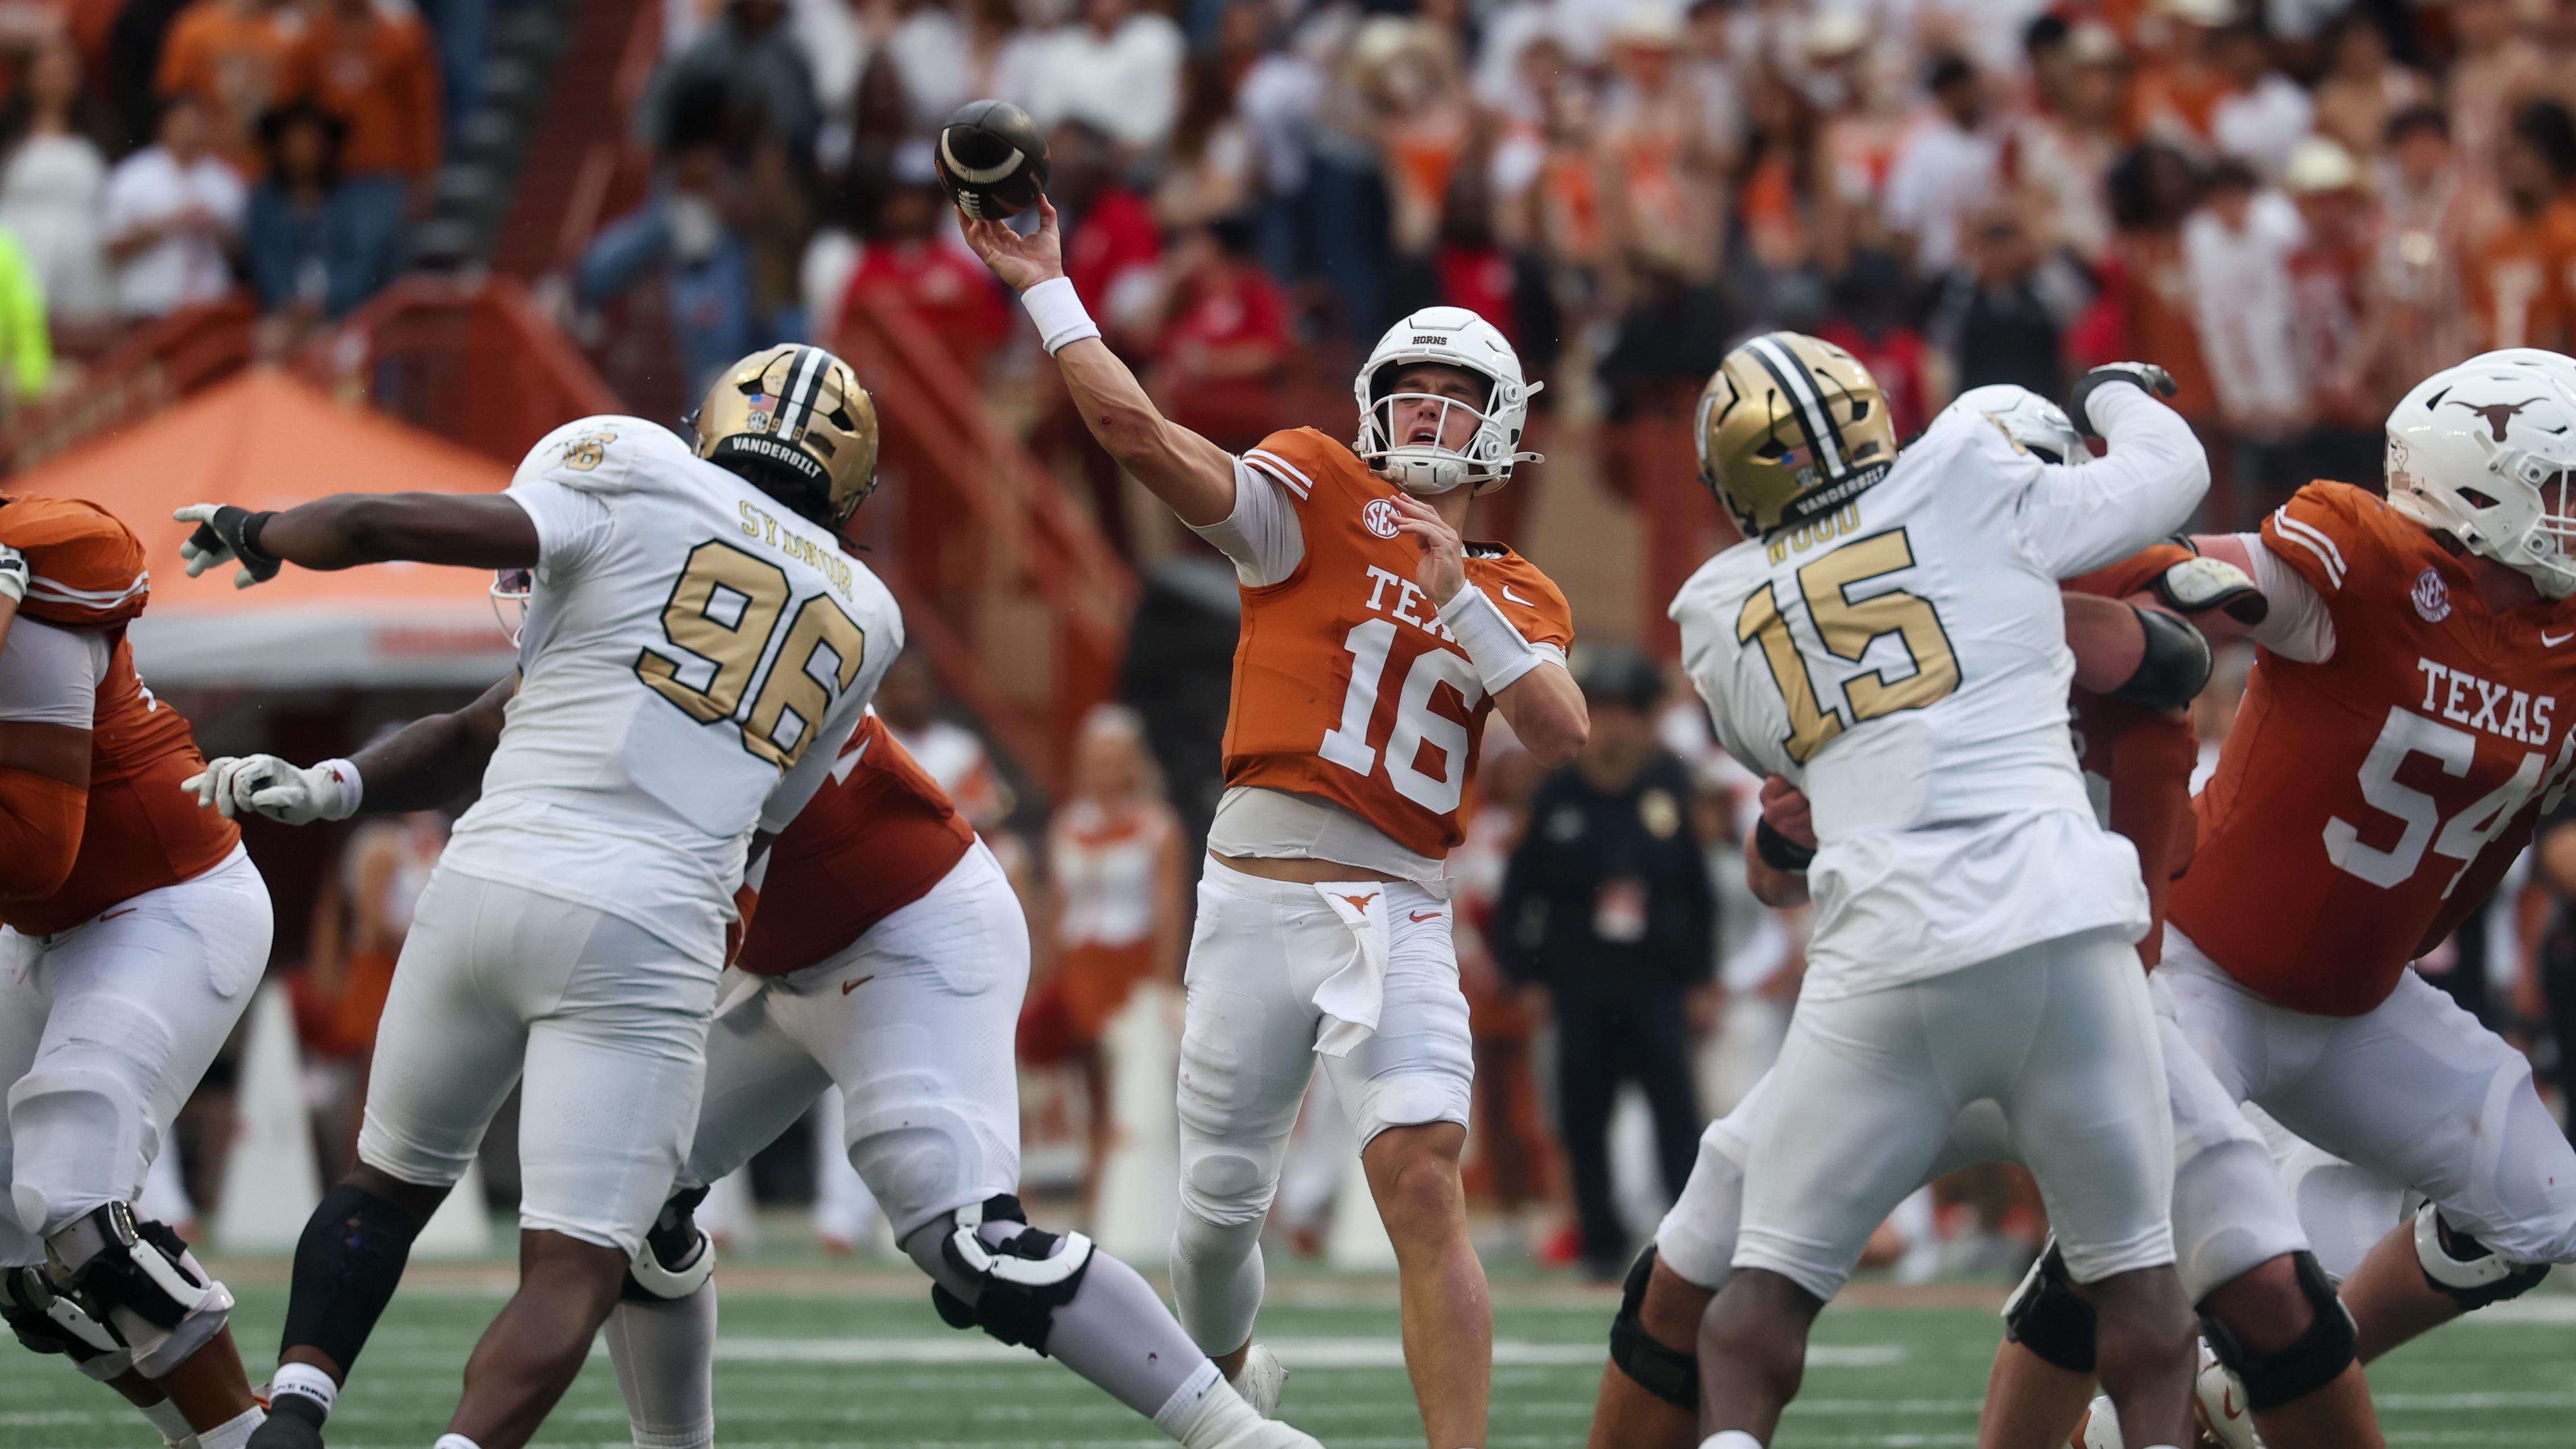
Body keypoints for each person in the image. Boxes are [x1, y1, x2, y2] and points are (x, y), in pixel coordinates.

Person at [1582, 385, 2393, 1449]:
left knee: (2259, 1280)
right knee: (1691, 1262)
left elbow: (2164, 683)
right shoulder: (1985, 527)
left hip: (1957, 976)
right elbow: (1774, 866)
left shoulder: (1794, 590)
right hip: (2063, 967)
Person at [176, 344, 894, 1449]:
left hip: (488, 875)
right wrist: (343, 783)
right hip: (648, 919)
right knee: (573, 1263)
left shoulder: (642, 469)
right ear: (850, 482)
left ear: (715, 419)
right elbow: (763, 819)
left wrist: (259, 531)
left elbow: (378, 527)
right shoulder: (868, 615)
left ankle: (296, 1413)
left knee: (383, 1184)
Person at [965, 201, 1587, 1449]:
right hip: (1253, 894)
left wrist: (1458, 597)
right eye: (1403, 389)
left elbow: (1559, 729)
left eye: (1449, 394)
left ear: (1499, 429)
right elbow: (1136, 436)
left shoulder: (1515, 586)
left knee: (1421, 1179)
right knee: (1213, 1212)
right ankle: (1230, 1399)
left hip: (1400, 904)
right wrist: (1046, 287)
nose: (1419, 410)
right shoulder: (1309, 484)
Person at [1666, 337, 2208, 1449]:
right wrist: (2114, 388)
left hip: (1884, 953)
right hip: (2060, 926)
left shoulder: (1714, 610)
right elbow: (2170, 470)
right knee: (2140, 1291)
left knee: (1751, 1314)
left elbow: (1793, 756)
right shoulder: (1967, 463)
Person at [0, 496, 275, 1449]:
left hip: (162, 903)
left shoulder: (33, 586)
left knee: (73, 1206)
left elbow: (35, 847)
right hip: (44, 927)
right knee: (22, 1265)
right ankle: (221, 1435)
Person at [1492, 643, 1714, 1281]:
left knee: (1676, 1114)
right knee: (1582, 1117)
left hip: (1657, 985)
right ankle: (1598, 1242)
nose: (1615, 728)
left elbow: (1696, 895)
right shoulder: (1556, 794)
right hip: (1579, 986)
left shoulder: (1670, 789)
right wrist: (1525, 976)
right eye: (1605, 711)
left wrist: (1702, 980)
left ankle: (1687, 1243)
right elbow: (1518, 896)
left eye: (1628, 713)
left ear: (1646, 721)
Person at [1022, 704, 1187, 1208]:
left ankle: (1123, 1198)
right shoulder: (1066, 824)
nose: (1107, 771)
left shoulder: (1156, 826)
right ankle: (1077, 1192)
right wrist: (1044, 973)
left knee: (1130, 1090)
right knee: (1074, 1084)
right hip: (1078, 970)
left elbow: (1168, 908)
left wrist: (1163, 982)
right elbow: (1057, 908)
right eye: (1097, 760)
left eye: (1116, 759)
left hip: (1129, 967)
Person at [99, 93, 244, 321]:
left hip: (208, 304)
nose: (190, 132)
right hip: (148, 305)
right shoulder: (133, 176)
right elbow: (112, 247)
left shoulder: (225, 181)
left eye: (196, 124)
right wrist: (167, 225)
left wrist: (214, 227)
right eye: (182, 123)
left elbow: (240, 253)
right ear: (163, 126)